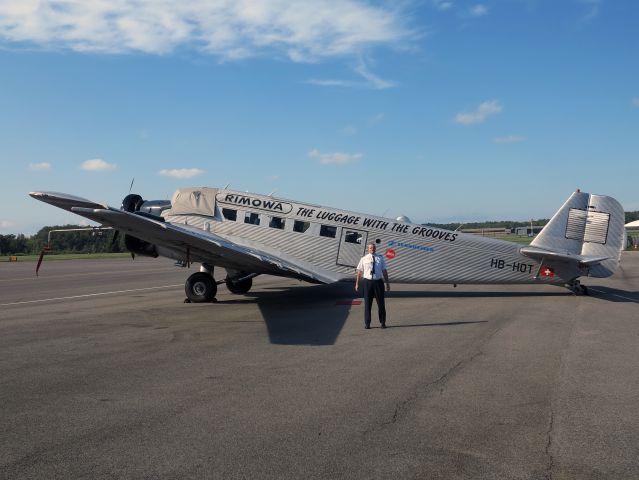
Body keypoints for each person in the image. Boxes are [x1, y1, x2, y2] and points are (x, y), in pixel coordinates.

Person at [355, 243, 390, 329]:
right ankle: (367, 323)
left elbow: (384, 271)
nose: (372, 249)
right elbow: (359, 272)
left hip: (378, 282)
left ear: (375, 249)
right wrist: (357, 283)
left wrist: (387, 283)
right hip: (367, 282)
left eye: (373, 248)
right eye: (371, 248)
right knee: (367, 304)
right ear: (368, 249)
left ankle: (382, 323)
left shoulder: (380, 258)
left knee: (381, 304)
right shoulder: (364, 259)